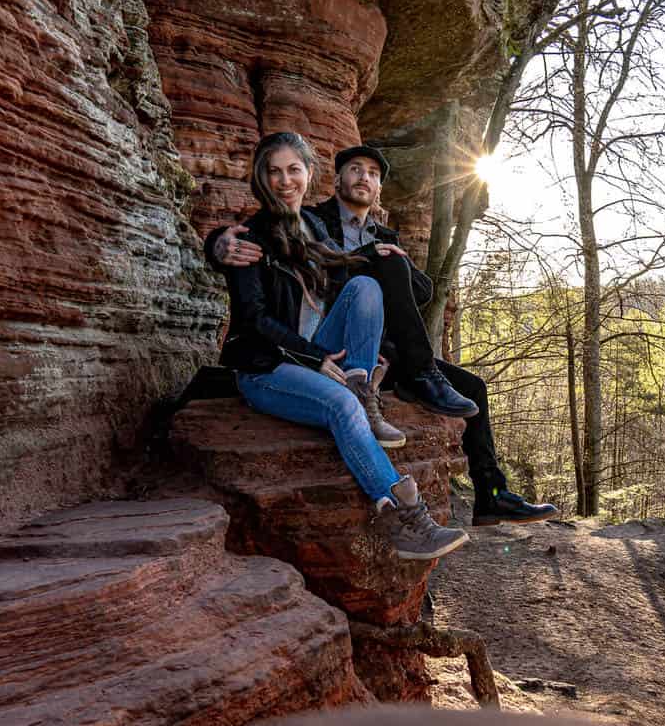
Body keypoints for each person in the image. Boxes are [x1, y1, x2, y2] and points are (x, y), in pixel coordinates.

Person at [210, 143, 558, 525]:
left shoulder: (383, 233)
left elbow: (422, 292)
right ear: (335, 179)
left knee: (473, 387)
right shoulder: (315, 219)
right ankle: (412, 384)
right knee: (375, 286)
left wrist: (393, 262)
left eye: (373, 174)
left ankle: (492, 495)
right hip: (331, 340)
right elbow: (257, 240)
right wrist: (216, 245)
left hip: (381, 346)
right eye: (355, 169)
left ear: (379, 190)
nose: (364, 178)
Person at [218, 131, 468, 560]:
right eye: (274, 172)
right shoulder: (248, 239)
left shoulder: (314, 226)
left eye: (293, 170)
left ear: (308, 173)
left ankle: (363, 390)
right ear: (261, 177)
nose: (284, 181)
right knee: (341, 405)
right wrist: (316, 359)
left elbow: (348, 268)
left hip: (314, 348)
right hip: (267, 366)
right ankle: (402, 517)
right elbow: (255, 321)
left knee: (367, 287)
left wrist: (384, 257)